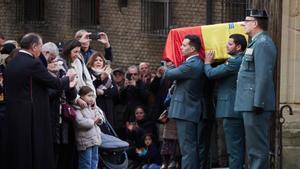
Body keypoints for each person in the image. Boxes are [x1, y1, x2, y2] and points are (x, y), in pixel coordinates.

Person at [3, 33, 77, 169]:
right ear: (34, 46)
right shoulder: (32, 63)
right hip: (31, 115)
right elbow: (55, 83)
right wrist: (69, 78)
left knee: (17, 151)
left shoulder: (13, 62)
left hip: (13, 113)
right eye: (40, 46)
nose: (41, 50)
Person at [234, 9, 277, 169]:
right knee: (253, 148)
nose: (243, 23)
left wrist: (258, 102)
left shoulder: (263, 43)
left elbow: (263, 74)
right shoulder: (256, 42)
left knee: (257, 149)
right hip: (250, 102)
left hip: (255, 103)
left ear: (255, 23)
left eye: (246, 20)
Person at [204, 34, 248, 169]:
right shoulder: (238, 59)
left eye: (229, 44)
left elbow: (211, 74)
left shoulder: (235, 61)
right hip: (233, 108)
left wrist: (207, 62)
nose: (226, 46)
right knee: (236, 146)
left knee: (234, 148)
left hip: (231, 108)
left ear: (238, 47)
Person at [163, 34, 207, 169]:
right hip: (187, 110)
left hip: (187, 110)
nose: (181, 47)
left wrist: (169, 65)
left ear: (193, 48)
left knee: (187, 148)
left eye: (184, 45)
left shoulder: (193, 64)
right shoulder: (193, 63)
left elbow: (168, 74)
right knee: (188, 147)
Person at [74, 86, 105, 169]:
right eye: (89, 95)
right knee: (86, 162)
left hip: (95, 139)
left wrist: (99, 120)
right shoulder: (77, 108)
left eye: (93, 96)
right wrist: (93, 121)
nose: (91, 98)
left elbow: (100, 115)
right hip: (85, 141)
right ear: (81, 96)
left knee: (94, 160)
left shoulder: (93, 107)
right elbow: (80, 122)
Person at [86, 52, 118, 128]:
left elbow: (115, 91)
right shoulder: (88, 73)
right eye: (96, 60)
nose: (98, 62)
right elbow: (89, 89)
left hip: (108, 105)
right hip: (96, 105)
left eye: (100, 60)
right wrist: (100, 79)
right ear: (91, 62)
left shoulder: (109, 75)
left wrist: (104, 92)